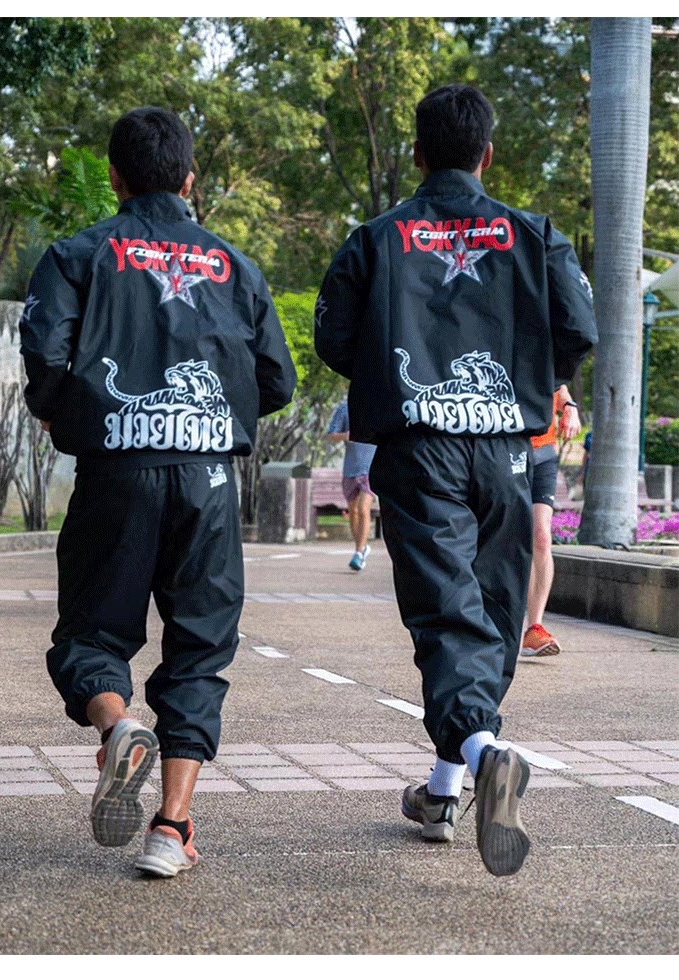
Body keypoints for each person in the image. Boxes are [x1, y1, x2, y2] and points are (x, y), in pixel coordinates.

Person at [315, 84, 596, 876]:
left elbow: (335, 337)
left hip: (420, 448)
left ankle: (480, 752)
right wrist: (527, 373)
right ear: (488, 154)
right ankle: (443, 794)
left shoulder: (376, 238)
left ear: (416, 153)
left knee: (447, 613)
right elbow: (579, 330)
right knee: (493, 616)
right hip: (508, 451)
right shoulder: (535, 235)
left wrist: (395, 367)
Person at [19, 107, 296, 877]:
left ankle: (117, 729)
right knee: (200, 653)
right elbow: (276, 379)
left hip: (115, 470)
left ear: (115, 177)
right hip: (208, 481)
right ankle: (171, 830)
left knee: (90, 636)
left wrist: (64, 410)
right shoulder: (235, 265)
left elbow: (44, 354)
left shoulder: (77, 254)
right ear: (190, 179)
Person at [522, 384, 581, 656]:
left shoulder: (547, 361)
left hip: (543, 454)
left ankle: (534, 628)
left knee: (542, 537)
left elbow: (560, 387)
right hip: (507, 450)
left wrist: (570, 407)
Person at [327, 397, 377, 570]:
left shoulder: (378, 407)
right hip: (351, 469)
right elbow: (331, 435)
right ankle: (361, 549)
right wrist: (346, 435)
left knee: (363, 509)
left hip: (371, 469)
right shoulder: (344, 408)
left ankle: (358, 552)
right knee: (353, 511)